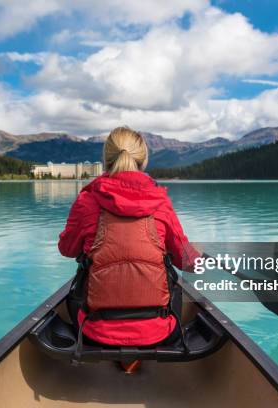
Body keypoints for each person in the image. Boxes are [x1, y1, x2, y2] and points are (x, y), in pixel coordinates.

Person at [58, 126, 199, 371]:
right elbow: (188, 262)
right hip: (158, 332)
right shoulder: (161, 202)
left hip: (94, 331)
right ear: (143, 161)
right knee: (175, 288)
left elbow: (67, 249)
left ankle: (119, 355)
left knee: (78, 287)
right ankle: (134, 358)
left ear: (106, 161)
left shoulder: (86, 201)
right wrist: (194, 252)